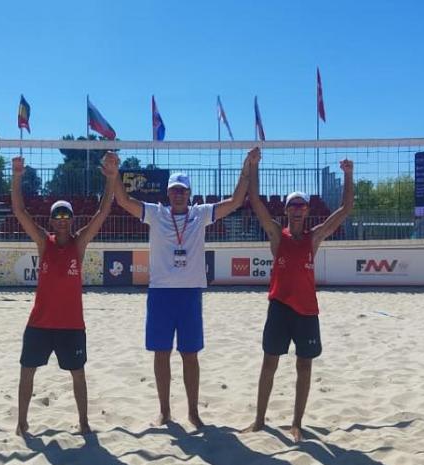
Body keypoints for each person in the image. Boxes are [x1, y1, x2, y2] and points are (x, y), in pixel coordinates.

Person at [107, 148, 257, 428]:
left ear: (189, 193)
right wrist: (115, 174)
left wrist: (246, 166)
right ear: (168, 193)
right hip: (161, 293)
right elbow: (124, 200)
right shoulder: (155, 214)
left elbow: (236, 201)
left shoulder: (201, 214)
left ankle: (193, 412)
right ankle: (164, 411)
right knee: (161, 353)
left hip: (190, 293)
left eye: (183, 190)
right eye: (174, 190)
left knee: (190, 355)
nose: (178, 194)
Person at [244, 149, 353, 441]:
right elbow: (255, 201)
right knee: (269, 363)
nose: (296, 209)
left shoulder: (313, 237)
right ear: (286, 211)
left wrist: (348, 174)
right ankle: (259, 420)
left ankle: (296, 423)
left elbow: (345, 209)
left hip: (306, 311)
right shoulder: (277, 235)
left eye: (301, 205)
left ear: (306, 211)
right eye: (292, 205)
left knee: (304, 366)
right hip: (279, 307)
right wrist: (253, 166)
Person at [13, 153, 118, 436]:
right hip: (40, 323)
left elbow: (102, 213)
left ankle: (83, 422)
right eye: (57, 215)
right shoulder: (43, 242)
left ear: (71, 220)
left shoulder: (78, 243)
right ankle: (21, 423)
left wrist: (111, 179)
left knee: (78, 374)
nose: (61, 220)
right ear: (51, 220)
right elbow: (20, 212)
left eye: (66, 215)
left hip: (71, 325)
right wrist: (17, 176)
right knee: (27, 371)